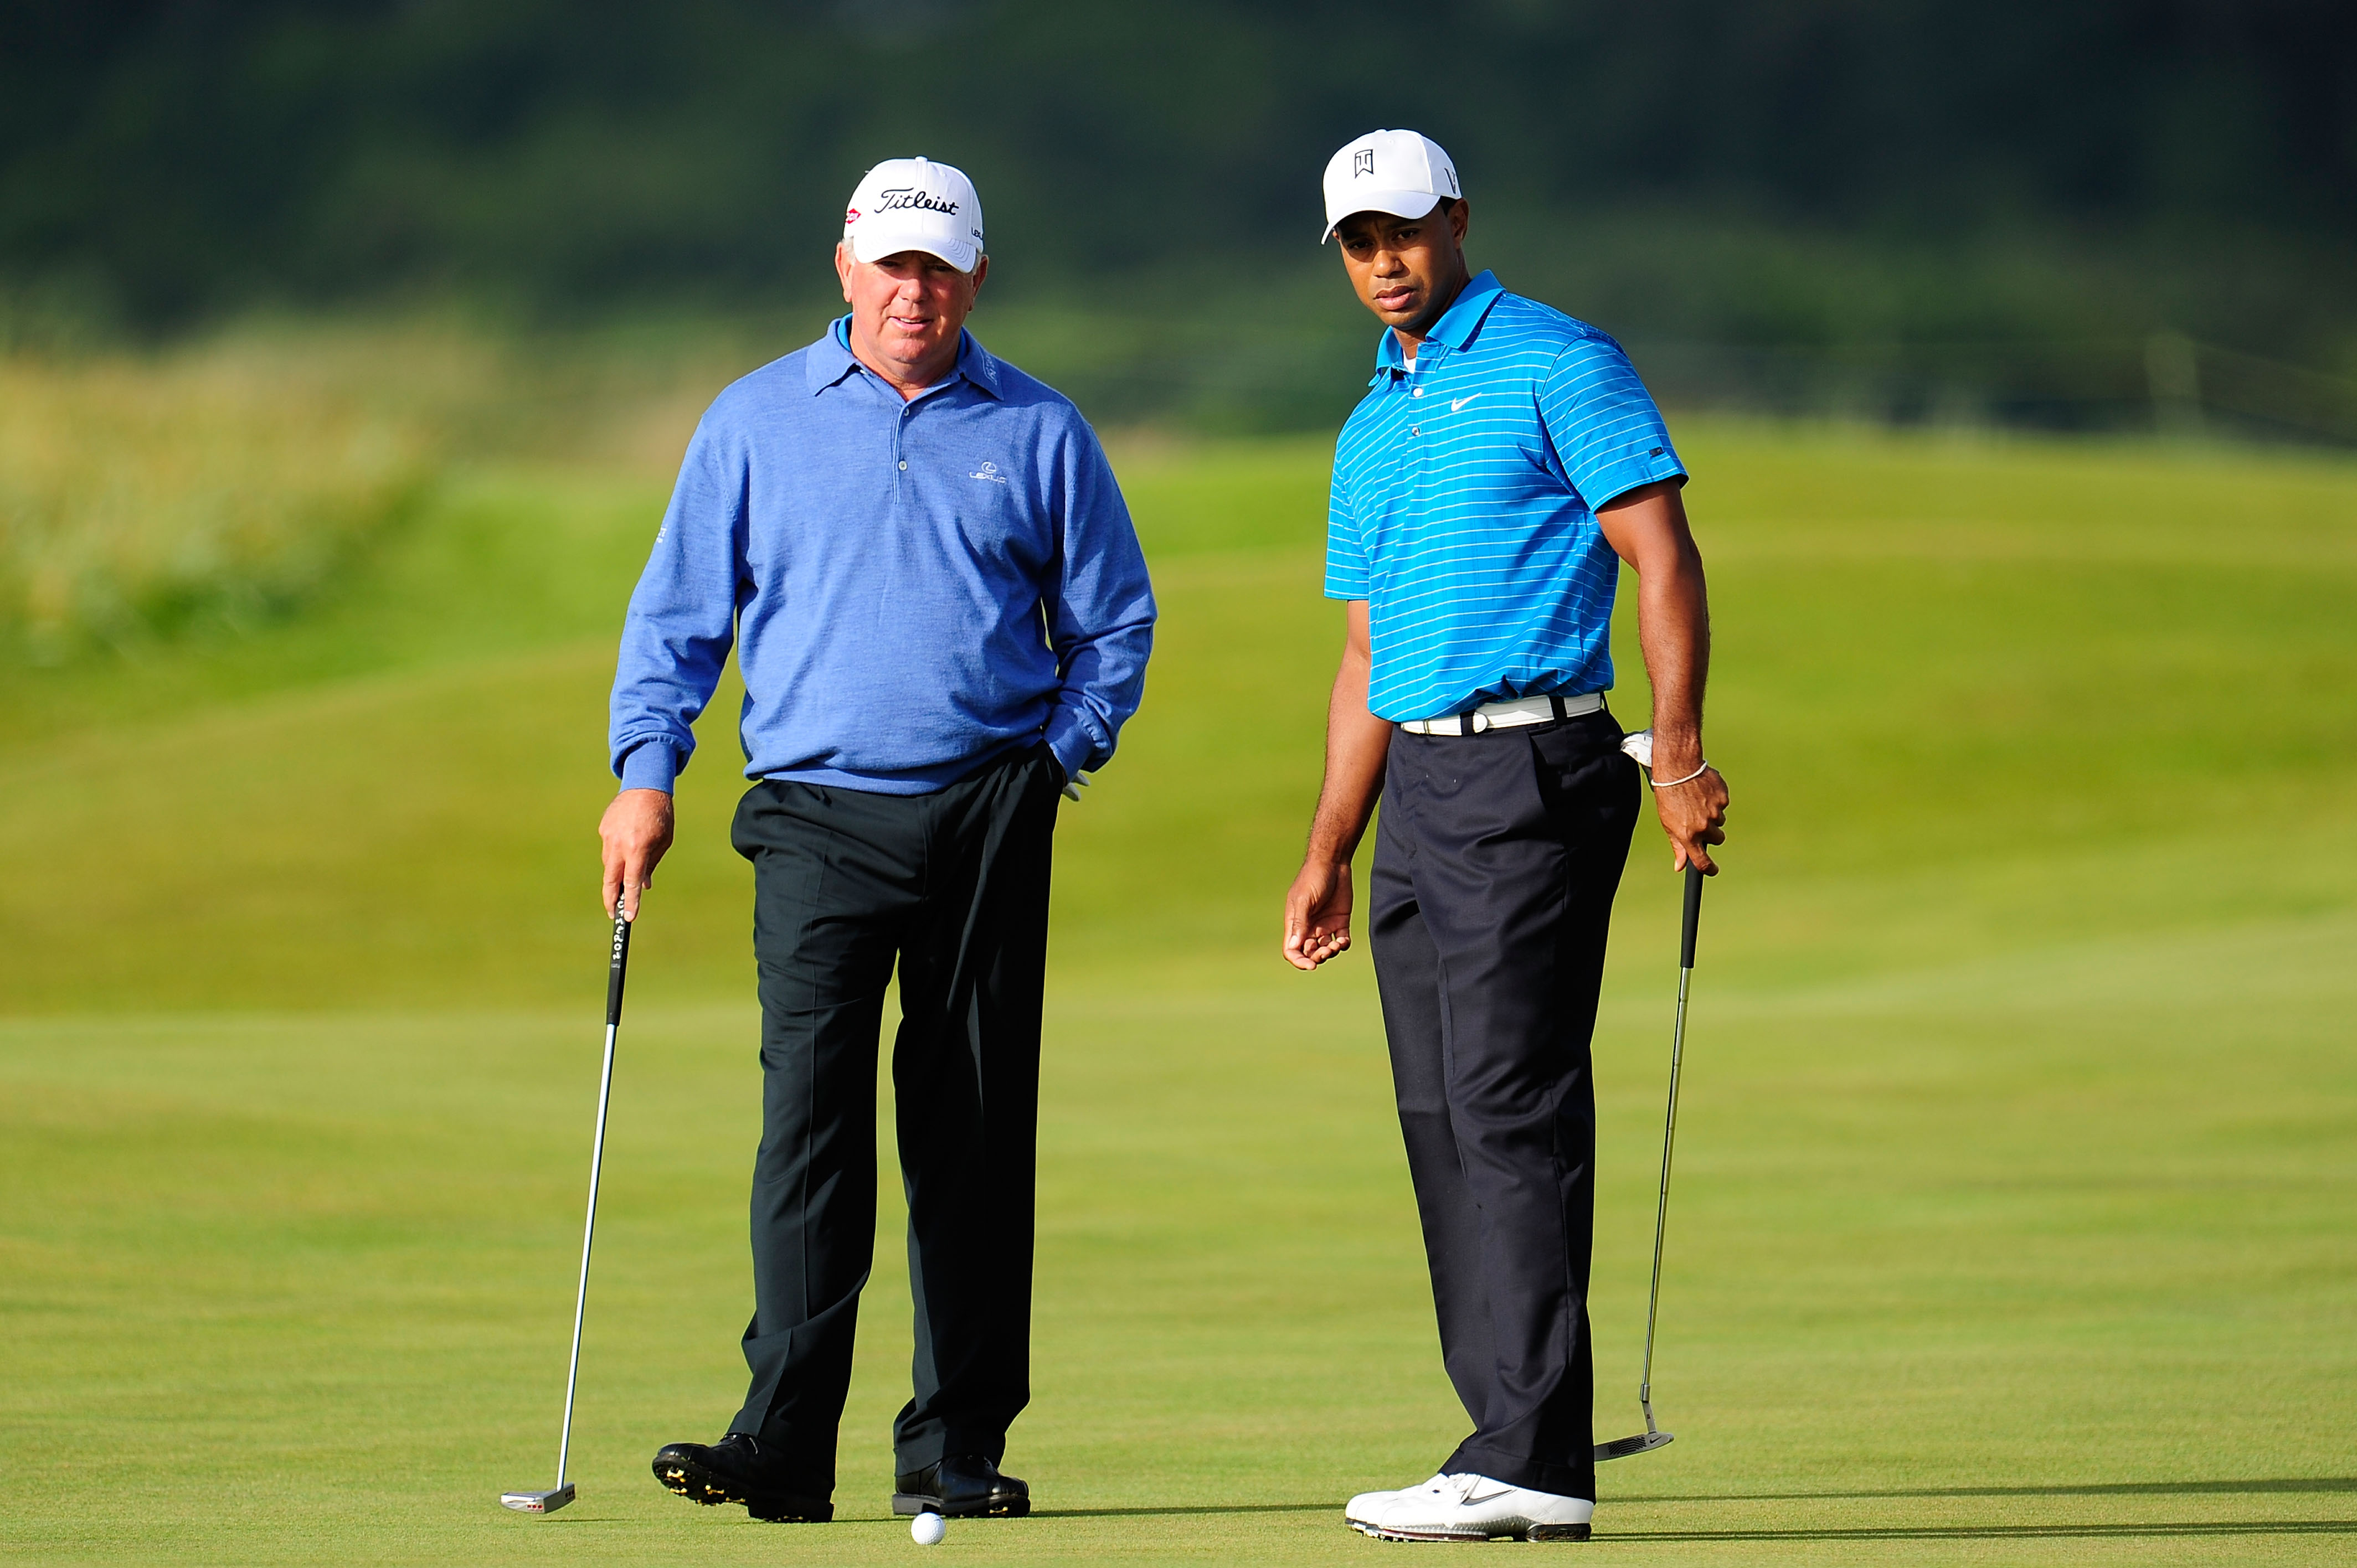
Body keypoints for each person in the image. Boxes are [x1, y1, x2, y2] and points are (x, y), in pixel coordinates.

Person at [599, 155, 1155, 1525]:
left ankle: (955, 1446)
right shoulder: (751, 421)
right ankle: (783, 1441)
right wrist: (644, 773)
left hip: (985, 808)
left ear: (975, 274)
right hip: (810, 817)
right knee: (808, 1128)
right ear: (845, 266)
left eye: (942, 266)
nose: (918, 291)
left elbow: (1114, 625)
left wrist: (1055, 763)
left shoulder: (1036, 426)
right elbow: (675, 621)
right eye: (895, 264)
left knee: (969, 1130)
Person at [1280, 129, 1729, 1544]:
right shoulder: (1369, 422)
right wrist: (1330, 845)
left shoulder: (1555, 359)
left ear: (1457, 219)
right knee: (1439, 1120)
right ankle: (1503, 1444)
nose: (1383, 263)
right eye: (1358, 244)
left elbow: (1660, 548)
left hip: (1536, 766)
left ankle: (1532, 1454)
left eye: (1403, 232)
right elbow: (1365, 654)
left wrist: (1682, 757)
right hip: (1414, 793)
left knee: (1510, 1104)